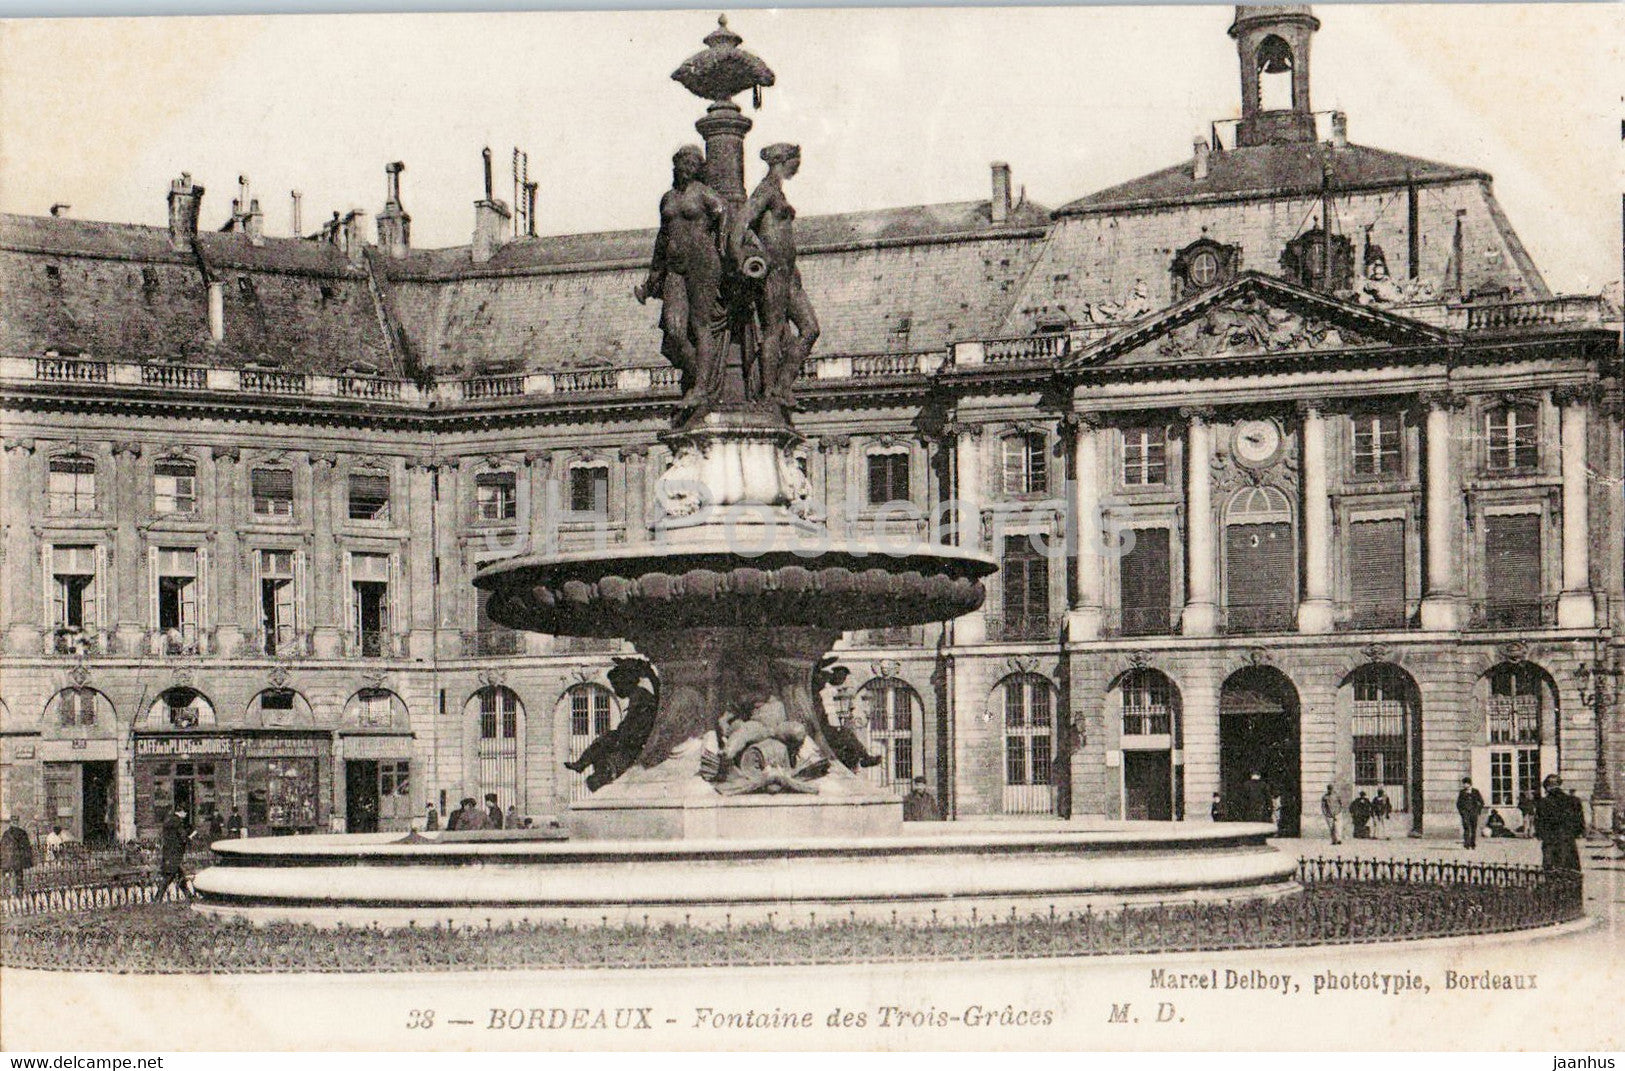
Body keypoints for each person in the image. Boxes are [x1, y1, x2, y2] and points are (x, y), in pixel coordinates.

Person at [636, 144, 728, 413]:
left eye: (691, 164)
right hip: (675, 267)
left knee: (701, 325)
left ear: (698, 169)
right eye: (681, 164)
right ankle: (703, 376)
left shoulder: (703, 193)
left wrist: (722, 246)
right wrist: (654, 273)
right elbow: (662, 237)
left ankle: (700, 387)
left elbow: (724, 214)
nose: (685, 169)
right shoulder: (667, 199)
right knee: (674, 329)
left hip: (703, 262)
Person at [734, 142, 820, 411]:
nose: (798, 165)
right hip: (772, 273)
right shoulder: (766, 189)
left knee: (810, 329)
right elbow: (741, 221)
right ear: (784, 160)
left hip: (789, 274)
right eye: (796, 160)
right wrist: (745, 256)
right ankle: (770, 390)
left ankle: (783, 385)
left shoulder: (777, 191)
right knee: (772, 332)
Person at [1533, 773, 1586, 873]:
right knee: (1571, 871)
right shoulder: (1574, 801)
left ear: (1547, 787)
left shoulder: (1543, 803)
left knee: (1551, 871)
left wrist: (1541, 835)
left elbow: (1539, 825)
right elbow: (1580, 823)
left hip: (1550, 842)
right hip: (1568, 841)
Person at [156, 808, 194, 901]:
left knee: (179, 875)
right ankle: (157, 898)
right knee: (169, 876)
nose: (185, 815)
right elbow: (182, 837)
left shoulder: (168, 820)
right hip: (175, 853)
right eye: (185, 812)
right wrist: (190, 837)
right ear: (181, 812)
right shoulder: (177, 822)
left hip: (168, 852)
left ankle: (189, 896)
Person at [1, 816, 33, 894]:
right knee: (19, 875)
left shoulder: (6, 833)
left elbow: (2, 847)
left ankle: (13, 892)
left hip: (9, 860)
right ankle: (19, 892)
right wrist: (28, 860)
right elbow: (27, 847)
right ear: (17, 822)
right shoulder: (22, 833)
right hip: (19, 859)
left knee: (12, 876)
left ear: (11, 822)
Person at [1456, 776, 1485, 850]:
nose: (1463, 785)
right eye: (1463, 784)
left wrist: (1478, 810)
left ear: (1469, 784)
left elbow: (1481, 802)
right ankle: (1466, 844)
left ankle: (1473, 844)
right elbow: (1458, 803)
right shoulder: (1462, 792)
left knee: (1473, 829)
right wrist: (1462, 812)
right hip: (1465, 813)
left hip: (1473, 813)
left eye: (1465, 783)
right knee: (1466, 828)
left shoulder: (1476, 791)